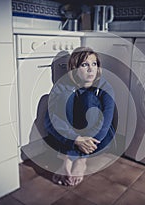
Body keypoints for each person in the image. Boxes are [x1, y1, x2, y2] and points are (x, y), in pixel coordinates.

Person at [44, 47, 115, 186]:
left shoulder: (105, 87)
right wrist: (75, 139)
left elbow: (105, 122)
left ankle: (76, 160)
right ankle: (71, 158)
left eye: (94, 64)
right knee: (65, 96)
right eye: (84, 65)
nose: (91, 69)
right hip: (70, 138)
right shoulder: (61, 86)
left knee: (89, 99)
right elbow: (50, 120)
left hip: (98, 140)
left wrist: (78, 151)